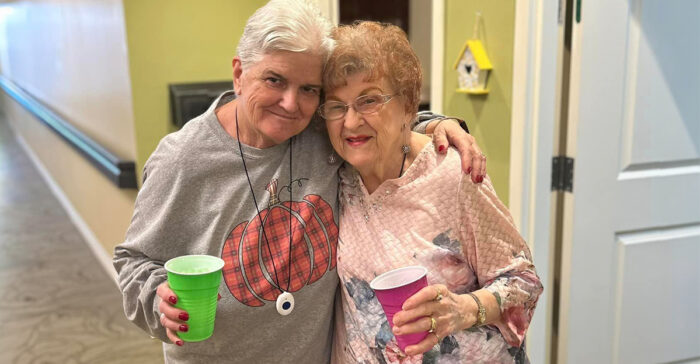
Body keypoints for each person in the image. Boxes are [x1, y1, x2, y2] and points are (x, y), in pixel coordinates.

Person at [112, 1, 487, 363]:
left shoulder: (318, 132)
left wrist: (438, 123)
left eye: (309, 89)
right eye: (275, 80)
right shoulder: (182, 159)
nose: (291, 104)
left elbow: (373, 120)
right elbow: (133, 261)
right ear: (240, 74)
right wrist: (155, 298)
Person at [321, 21, 543, 363]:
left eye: (369, 101)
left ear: (408, 106)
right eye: (337, 105)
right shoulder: (336, 173)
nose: (350, 122)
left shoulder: (455, 174)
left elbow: (523, 282)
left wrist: (464, 309)